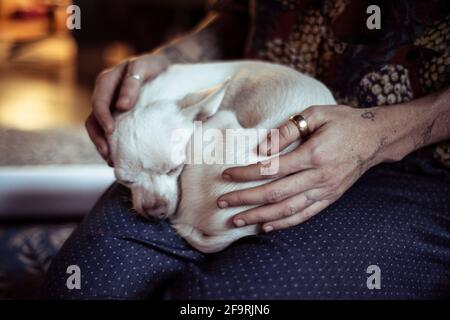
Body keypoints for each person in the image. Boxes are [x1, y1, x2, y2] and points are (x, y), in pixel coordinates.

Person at [42, 0, 450, 299]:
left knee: (216, 303)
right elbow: (235, 15)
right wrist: (160, 64)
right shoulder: (173, 129)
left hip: (428, 169)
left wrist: (380, 134)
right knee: (83, 287)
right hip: (234, 135)